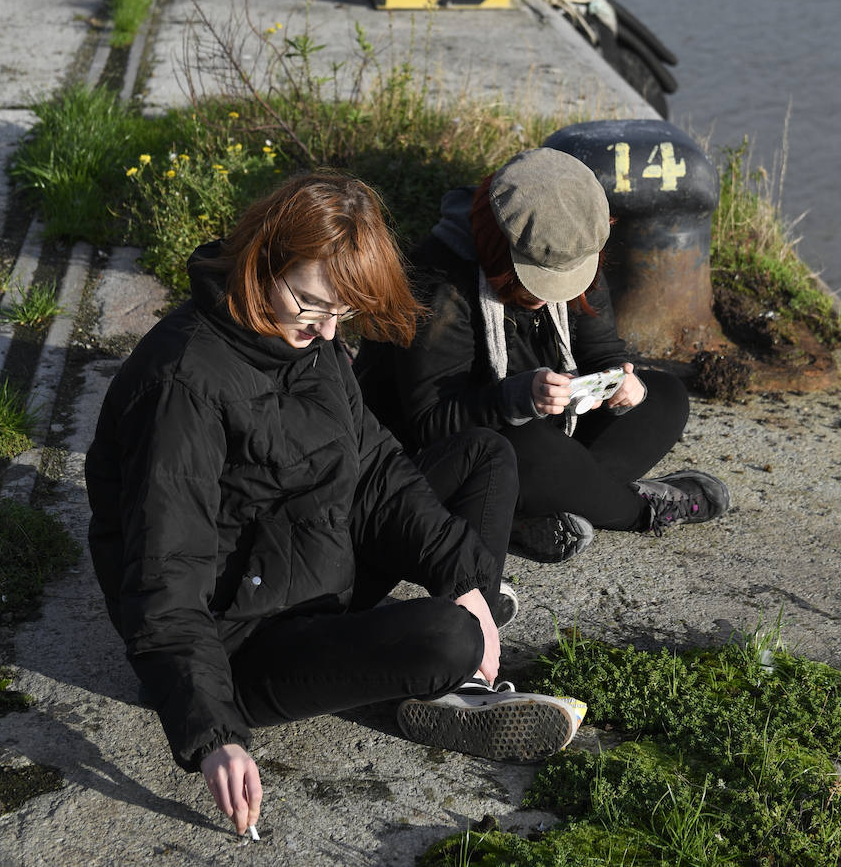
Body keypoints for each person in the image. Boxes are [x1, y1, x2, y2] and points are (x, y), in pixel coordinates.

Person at [85, 172, 584, 840]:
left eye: (341, 314)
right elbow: (162, 579)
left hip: (316, 563)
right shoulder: (182, 384)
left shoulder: (310, 344)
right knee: (448, 636)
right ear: (264, 256)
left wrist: (466, 579)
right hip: (242, 642)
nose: (324, 330)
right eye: (311, 304)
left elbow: (379, 472)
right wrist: (214, 738)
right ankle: (454, 667)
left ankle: (461, 651)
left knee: (484, 456)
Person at [355, 148, 730, 564]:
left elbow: (601, 348)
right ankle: (640, 510)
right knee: (523, 450)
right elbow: (430, 422)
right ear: (501, 250)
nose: (553, 292)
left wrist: (619, 380)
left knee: (665, 397)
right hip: (452, 452)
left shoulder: (573, 242)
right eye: (538, 277)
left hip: (549, 432)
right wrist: (515, 399)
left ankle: (544, 508)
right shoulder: (438, 285)